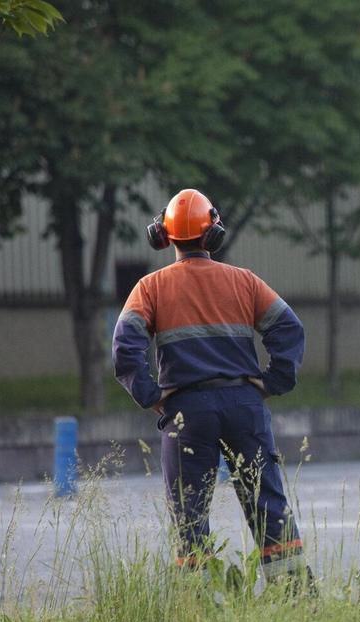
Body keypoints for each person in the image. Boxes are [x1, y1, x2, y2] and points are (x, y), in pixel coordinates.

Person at [112, 188, 313, 591]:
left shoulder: (149, 288)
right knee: (268, 504)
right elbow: (289, 328)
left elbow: (125, 344)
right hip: (243, 404)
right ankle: (294, 597)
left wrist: (151, 395)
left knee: (189, 514)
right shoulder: (244, 282)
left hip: (186, 412)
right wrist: (272, 382)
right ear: (213, 234)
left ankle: (200, 604)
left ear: (162, 235)